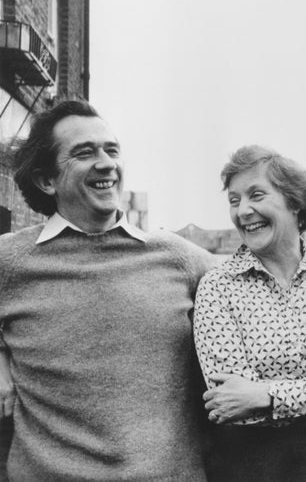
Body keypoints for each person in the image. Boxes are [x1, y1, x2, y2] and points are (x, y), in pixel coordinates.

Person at [0, 100, 216, 482]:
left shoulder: (180, 258)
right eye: (85, 153)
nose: (106, 164)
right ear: (47, 180)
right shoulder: (10, 260)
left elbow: (261, 291)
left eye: (111, 150)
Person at [193, 145, 306, 482]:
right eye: (234, 200)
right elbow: (230, 404)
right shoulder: (217, 286)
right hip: (254, 467)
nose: (243, 211)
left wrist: (264, 396)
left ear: (294, 203)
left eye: (256, 195)